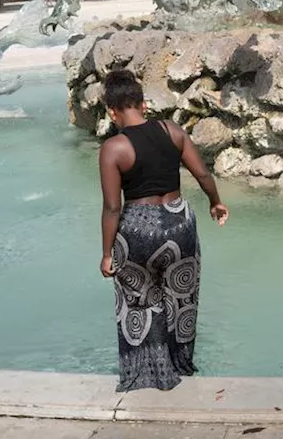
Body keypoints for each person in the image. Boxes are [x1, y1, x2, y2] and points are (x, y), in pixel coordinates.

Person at [97, 69, 229, 391]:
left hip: (139, 231)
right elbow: (203, 174)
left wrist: (105, 253)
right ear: (143, 104)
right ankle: (180, 363)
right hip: (179, 223)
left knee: (140, 302)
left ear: (112, 112)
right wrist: (216, 202)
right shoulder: (171, 130)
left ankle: (149, 374)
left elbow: (113, 207)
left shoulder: (114, 148)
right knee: (180, 298)